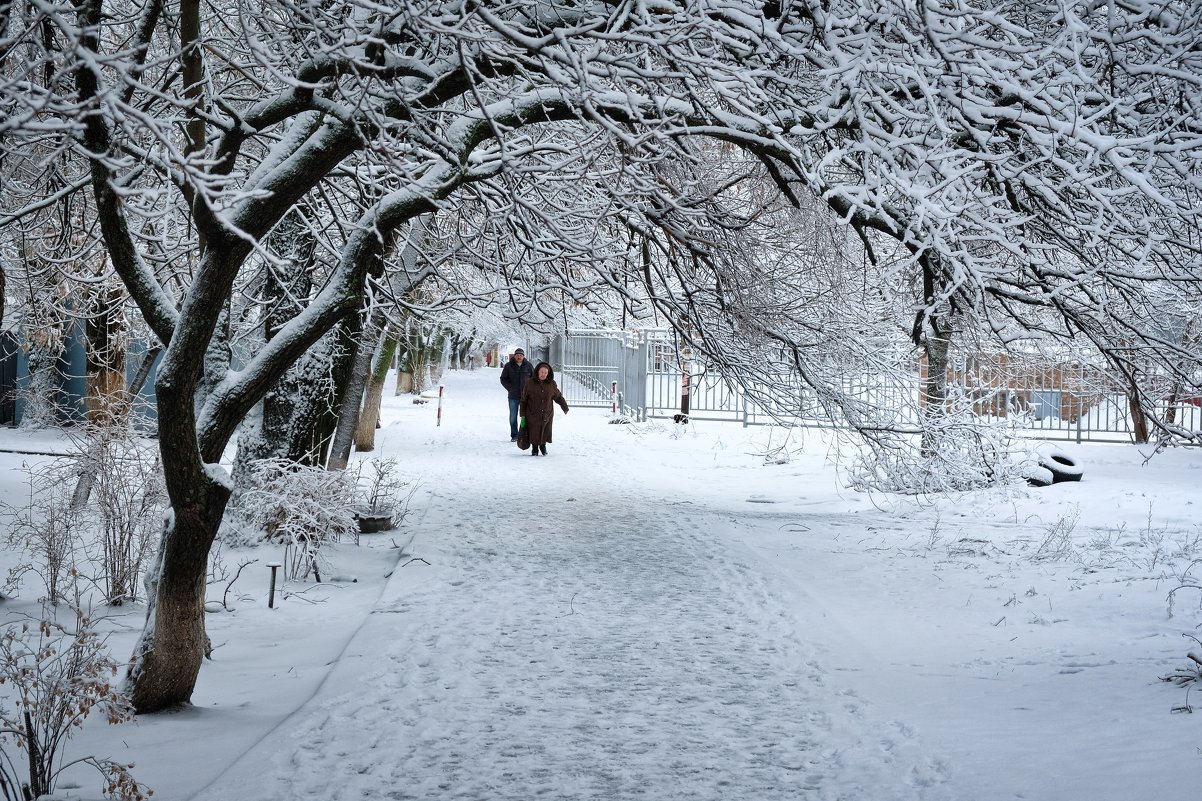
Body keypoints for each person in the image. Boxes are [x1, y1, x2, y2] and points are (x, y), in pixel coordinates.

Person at [520, 361, 569, 456]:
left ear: (548, 373)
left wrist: (564, 406)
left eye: (546, 373)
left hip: (547, 412)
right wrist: (522, 415)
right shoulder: (529, 383)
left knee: (545, 429)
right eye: (542, 372)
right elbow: (523, 400)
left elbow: (558, 396)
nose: (543, 374)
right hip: (532, 412)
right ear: (538, 371)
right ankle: (534, 448)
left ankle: (543, 446)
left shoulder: (551, 384)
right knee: (534, 430)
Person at [499, 348, 534, 441]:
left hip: (526, 396)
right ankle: (514, 435)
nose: (519, 356)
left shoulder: (528, 366)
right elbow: (503, 379)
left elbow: (534, 379)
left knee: (525, 416)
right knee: (513, 416)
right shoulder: (508, 366)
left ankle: (523, 434)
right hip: (513, 396)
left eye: (521, 355)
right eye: (517, 355)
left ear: (523, 356)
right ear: (514, 356)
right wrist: (510, 388)